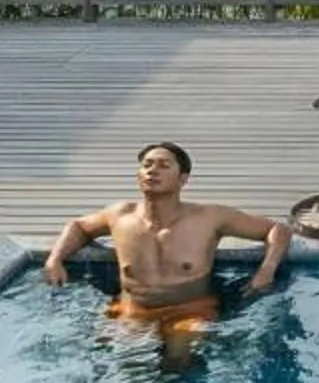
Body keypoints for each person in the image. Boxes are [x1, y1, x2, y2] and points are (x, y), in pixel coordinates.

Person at [42, 140, 290, 342]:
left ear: (183, 179)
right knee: (125, 373)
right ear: (138, 176)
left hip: (191, 309)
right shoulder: (120, 215)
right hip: (134, 309)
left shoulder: (209, 217)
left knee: (178, 363)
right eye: (147, 165)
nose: (152, 170)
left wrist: (266, 271)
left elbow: (277, 229)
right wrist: (55, 260)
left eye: (163, 165)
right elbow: (78, 226)